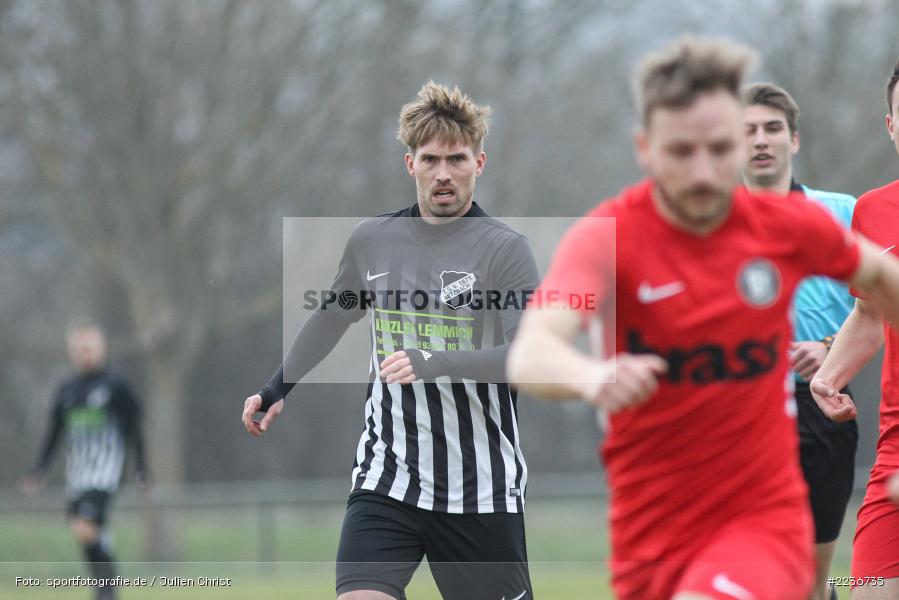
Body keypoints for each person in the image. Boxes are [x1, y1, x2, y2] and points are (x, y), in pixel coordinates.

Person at [507, 36, 899, 600]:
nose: (702, 173)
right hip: (650, 537)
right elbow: (531, 353)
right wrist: (592, 377)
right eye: (681, 152)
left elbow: (880, 290)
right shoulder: (609, 238)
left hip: (764, 524)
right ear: (645, 148)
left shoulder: (782, 227)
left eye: (719, 149)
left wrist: (832, 364)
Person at [242, 81, 537, 600]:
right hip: (388, 475)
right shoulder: (372, 241)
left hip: (480, 490)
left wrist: (435, 360)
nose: (443, 174)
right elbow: (333, 319)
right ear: (410, 165)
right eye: (430, 160)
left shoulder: (505, 252)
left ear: (479, 163)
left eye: (456, 159)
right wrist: (275, 389)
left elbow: (525, 358)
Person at [741, 81, 858, 600]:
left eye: (772, 129)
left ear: (794, 140)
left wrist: (831, 347)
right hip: (738, 410)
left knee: (812, 581)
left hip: (822, 406)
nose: (761, 140)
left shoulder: (844, 213)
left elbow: (881, 308)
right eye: (747, 131)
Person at [811, 58, 899, 600]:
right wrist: (829, 375)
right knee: (869, 588)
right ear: (891, 127)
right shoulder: (872, 212)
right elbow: (871, 312)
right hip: (895, 449)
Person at [20, 319, 150, 600]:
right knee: (85, 531)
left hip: (105, 472)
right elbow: (54, 433)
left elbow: (135, 427)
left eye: (89, 347)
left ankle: (107, 590)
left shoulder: (116, 386)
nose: (85, 353)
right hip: (77, 475)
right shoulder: (66, 390)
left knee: (86, 525)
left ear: (101, 348)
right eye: (79, 348)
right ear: (72, 351)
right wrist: (38, 471)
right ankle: (104, 584)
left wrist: (141, 468)